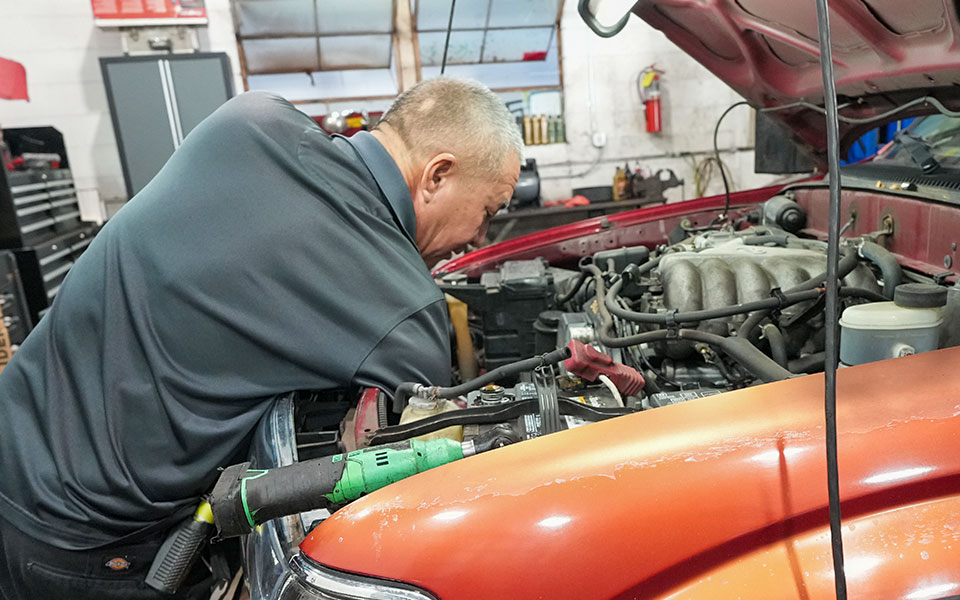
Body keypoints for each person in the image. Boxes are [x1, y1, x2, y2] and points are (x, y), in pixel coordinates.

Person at [0, 77, 522, 599]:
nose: (478, 239)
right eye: (488, 212)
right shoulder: (403, 311)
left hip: (16, 435)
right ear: (438, 174)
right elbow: (421, 472)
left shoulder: (250, 118)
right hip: (87, 540)